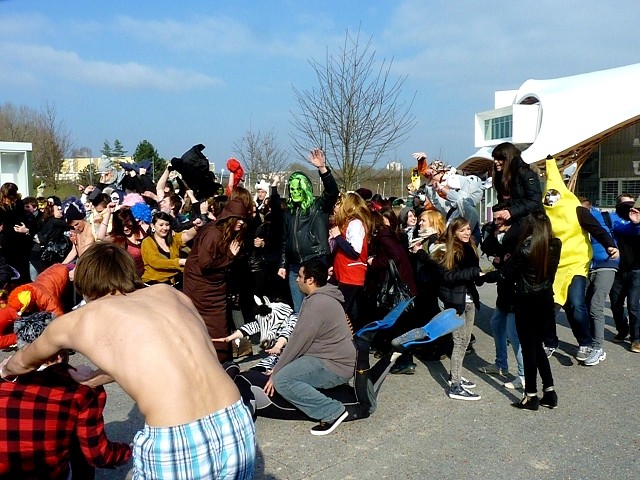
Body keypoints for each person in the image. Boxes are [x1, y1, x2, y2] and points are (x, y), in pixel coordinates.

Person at [0, 242, 256, 479]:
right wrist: (99, 375)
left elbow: (24, 361)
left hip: (177, 435)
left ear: (85, 282)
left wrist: (5, 369)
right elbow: (172, 353)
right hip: (235, 420)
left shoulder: (79, 320)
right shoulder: (170, 294)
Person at [0, 311, 131, 479]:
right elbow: (98, 455)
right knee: (81, 448)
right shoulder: (81, 388)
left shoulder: (5, 379)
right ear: (60, 351)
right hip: (50, 474)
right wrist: (127, 451)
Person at [265, 258, 356, 435]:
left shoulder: (316, 304)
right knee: (286, 370)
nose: (297, 279)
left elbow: (297, 342)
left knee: (283, 380)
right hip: (331, 357)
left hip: (335, 365)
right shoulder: (323, 296)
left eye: (300, 276)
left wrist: (276, 371)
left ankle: (332, 411)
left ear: (311, 280)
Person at [482, 211, 562, 410]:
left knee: (528, 349)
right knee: (537, 346)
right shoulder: (555, 245)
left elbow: (505, 274)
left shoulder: (526, 248)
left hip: (526, 301)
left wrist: (482, 276)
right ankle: (549, 391)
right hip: (545, 299)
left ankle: (531, 395)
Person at [183, 199, 251, 363]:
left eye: (243, 219)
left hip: (216, 285)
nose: (241, 223)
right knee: (211, 325)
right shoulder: (214, 233)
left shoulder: (230, 232)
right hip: (201, 286)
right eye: (238, 219)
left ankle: (217, 362)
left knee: (217, 325)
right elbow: (205, 264)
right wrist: (230, 256)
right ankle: (218, 363)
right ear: (228, 217)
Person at [278, 149, 339, 313]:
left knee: (317, 309)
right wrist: (282, 264)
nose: (295, 192)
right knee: (299, 311)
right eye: (292, 189)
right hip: (294, 268)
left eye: (298, 188)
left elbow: (333, 192)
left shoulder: (318, 206)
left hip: (314, 262)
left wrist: (322, 169)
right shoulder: (289, 212)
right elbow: (285, 240)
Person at [434, 217, 482, 400]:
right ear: (453, 232)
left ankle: (456, 374)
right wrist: (473, 273)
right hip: (456, 302)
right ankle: (455, 385)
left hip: (470, 300)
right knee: (460, 341)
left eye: (468, 229)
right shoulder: (448, 250)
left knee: (465, 340)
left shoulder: (471, 247)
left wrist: (482, 275)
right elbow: (447, 277)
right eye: (462, 230)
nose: (467, 233)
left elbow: (473, 274)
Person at [478, 204, 525, 388]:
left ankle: (523, 375)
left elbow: (511, 265)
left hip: (516, 288)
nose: (497, 221)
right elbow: (487, 247)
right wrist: (497, 250)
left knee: (514, 334)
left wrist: (501, 262)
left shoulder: (518, 232)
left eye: (500, 218)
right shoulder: (496, 231)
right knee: (496, 324)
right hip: (504, 288)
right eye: (495, 217)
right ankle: (500, 364)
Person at [580, 196, 620, 365]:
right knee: (584, 305)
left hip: (606, 263)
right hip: (587, 266)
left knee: (596, 306)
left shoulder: (604, 217)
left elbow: (629, 226)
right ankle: (589, 343)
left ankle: (598, 348)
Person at [328, 191, 372, 328]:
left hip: (351, 275)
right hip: (343, 274)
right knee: (345, 311)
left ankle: (349, 340)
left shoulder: (356, 224)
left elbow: (354, 251)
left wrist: (338, 237)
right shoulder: (347, 224)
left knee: (340, 311)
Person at [612, 195, 640, 353]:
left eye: (632, 204)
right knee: (616, 304)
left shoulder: (638, 221)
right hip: (617, 271)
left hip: (636, 270)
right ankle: (623, 330)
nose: (630, 208)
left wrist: (637, 223)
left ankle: (636, 339)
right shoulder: (613, 222)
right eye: (625, 205)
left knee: (634, 306)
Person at [140, 211, 199, 287]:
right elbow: (155, 262)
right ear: (153, 226)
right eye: (161, 225)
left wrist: (196, 227)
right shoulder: (147, 242)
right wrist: (179, 262)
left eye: (167, 225)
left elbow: (187, 235)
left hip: (174, 281)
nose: (164, 228)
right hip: (155, 283)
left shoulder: (173, 238)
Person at [490, 142, 543, 226]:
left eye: (499, 158)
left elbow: (535, 202)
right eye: (495, 158)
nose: (495, 161)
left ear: (508, 159)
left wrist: (512, 211)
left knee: (507, 238)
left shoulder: (526, 174)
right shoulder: (500, 177)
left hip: (531, 221)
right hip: (513, 219)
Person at [98, 205, 148, 278]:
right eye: (122, 226)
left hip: (148, 275)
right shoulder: (117, 237)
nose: (125, 229)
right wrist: (109, 213)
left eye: (128, 225)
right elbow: (100, 236)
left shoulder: (143, 229)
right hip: (130, 278)